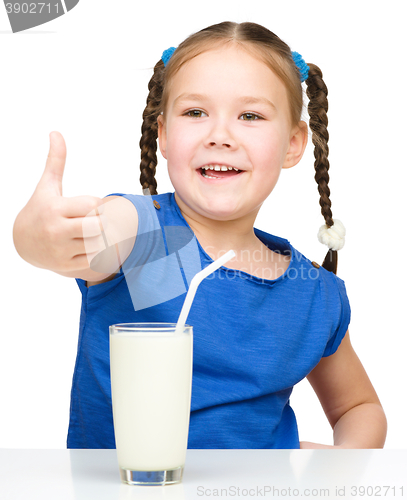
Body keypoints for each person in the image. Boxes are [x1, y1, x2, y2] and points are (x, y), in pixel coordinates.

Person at [13, 21, 387, 449]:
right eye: (195, 113)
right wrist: (38, 239)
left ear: (293, 144)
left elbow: (358, 408)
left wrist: (337, 466)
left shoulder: (314, 294)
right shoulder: (147, 238)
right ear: (165, 135)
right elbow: (92, 235)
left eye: (250, 116)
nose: (220, 136)